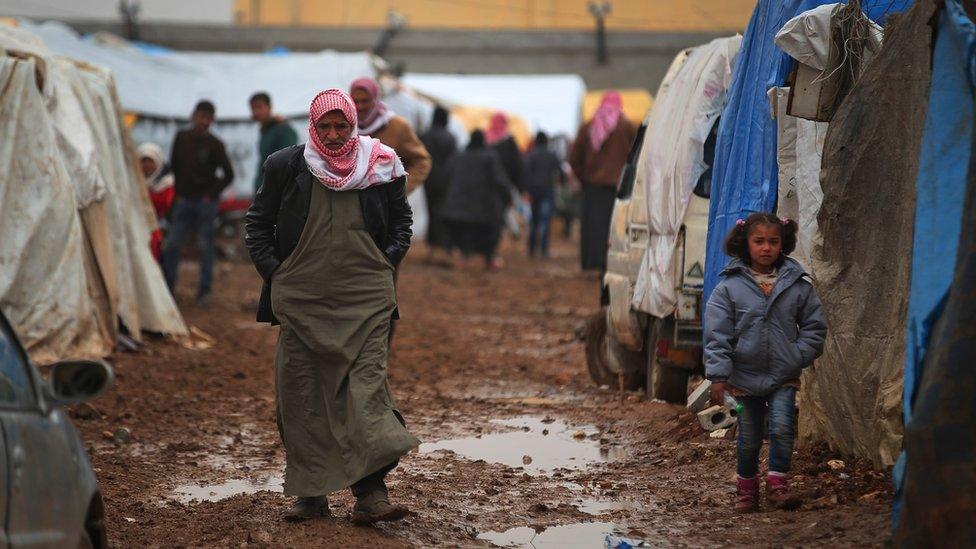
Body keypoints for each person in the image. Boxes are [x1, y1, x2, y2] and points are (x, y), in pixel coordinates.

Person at [244, 88, 419, 524]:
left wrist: (386, 262)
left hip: (366, 299)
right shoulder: (286, 165)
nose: (336, 134)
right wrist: (277, 275)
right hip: (302, 301)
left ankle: (371, 493)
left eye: (343, 125)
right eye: (326, 126)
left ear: (354, 124)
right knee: (302, 393)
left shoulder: (380, 163)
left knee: (366, 392)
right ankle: (310, 493)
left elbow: (402, 222)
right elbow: (258, 224)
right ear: (313, 126)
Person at [703, 213, 827, 513]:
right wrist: (718, 376)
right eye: (759, 241)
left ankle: (778, 487)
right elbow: (717, 335)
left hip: (783, 377)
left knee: (783, 429)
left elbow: (815, 326)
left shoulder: (797, 285)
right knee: (748, 438)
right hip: (743, 381)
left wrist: (796, 356)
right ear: (745, 244)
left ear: (783, 244)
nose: (766, 248)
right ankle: (746, 492)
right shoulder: (728, 288)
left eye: (773, 241)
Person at [162, 100, 234, 306]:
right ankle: (167, 290)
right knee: (173, 245)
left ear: (212, 121)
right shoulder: (181, 138)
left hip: (205, 204)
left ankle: (204, 292)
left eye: (207, 118)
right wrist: (174, 193)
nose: (203, 121)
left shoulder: (215, 144)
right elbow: (174, 165)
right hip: (183, 201)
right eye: (200, 116)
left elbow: (228, 174)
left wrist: (210, 195)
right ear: (193, 116)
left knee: (205, 247)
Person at [569, 90, 637, 271]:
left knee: (592, 226)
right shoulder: (627, 126)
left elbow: (574, 157)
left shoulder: (589, 126)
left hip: (592, 187)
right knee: (614, 227)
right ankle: (611, 263)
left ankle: (591, 261)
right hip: (618, 187)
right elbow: (635, 155)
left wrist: (582, 176)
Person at [440, 130, 513, 270]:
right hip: (483, 208)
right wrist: (507, 197)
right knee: (490, 232)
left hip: (458, 207)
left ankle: (464, 258)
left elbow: (445, 175)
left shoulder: (458, 156)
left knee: (464, 234)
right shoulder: (490, 157)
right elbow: (500, 180)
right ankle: (489, 259)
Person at [349, 77, 431, 195]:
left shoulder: (397, 126)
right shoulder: (347, 126)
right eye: (355, 101)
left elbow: (422, 161)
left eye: (365, 101)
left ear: (375, 99)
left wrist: (401, 190)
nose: (360, 106)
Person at [419, 105, 457, 263]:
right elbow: (454, 161)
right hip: (447, 182)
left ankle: (432, 250)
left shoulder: (425, 135)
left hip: (429, 180)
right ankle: (446, 250)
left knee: (431, 212)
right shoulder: (451, 137)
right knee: (445, 214)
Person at [523, 131, 565, 258]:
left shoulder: (530, 155)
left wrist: (526, 190)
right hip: (547, 192)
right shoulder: (552, 155)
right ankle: (544, 250)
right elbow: (561, 172)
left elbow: (525, 174)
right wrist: (561, 183)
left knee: (534, 221)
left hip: (534, 192)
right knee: (545, 221)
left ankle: (531, 250)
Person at [250, 92, 298, 194]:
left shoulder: (283, 129)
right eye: (253, 108)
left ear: (269, 107)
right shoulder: (266, 130)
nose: (256, 111)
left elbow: (287, 162)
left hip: (276, 190)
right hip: (263, 187)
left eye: (259, 107)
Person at [138, 142, 175, 261]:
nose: (147, 165)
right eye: (143, 161)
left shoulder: (166, 184)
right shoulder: (134, 183)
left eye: (150, 161)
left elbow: (164, 206)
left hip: (160, 229)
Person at [486, 112, 524, 193]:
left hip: (488, 189)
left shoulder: (485, 140)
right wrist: (521, 189)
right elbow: (517, 166)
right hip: (506, 186)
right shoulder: (509, 141)